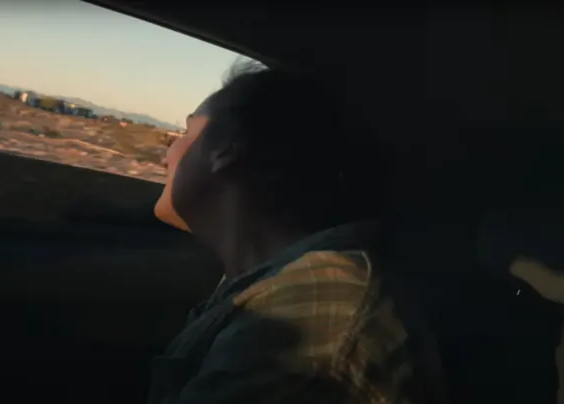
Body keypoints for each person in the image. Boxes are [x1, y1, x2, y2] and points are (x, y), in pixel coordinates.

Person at [149, 60, 446, 404]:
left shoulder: (311, 314)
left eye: (186, 133)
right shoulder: (274, 282)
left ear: (227, 149)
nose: (166, 158)